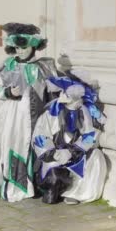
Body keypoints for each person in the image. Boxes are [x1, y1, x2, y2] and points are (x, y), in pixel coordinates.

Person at [0, 23, 58, 202]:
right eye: (16, 47)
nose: (19, 51)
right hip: (14, 119)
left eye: (23, 47)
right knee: (15, 145)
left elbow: (54, 92)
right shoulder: (8, 66)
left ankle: (41, 185)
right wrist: (9, 92)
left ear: (34, 46)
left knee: (39, 147)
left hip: (39, 118)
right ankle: (18, 186)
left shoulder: (44, 67)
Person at [32, 72, 107, 204]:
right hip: (55, 154)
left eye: (65, 93)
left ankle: (77, 193)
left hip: (76, 154)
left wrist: (72, 152)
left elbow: (89, 136)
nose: (61, 95)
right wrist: (55, 153)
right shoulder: (52, 112)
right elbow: (40, 135)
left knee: (96, 156)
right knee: (54, 177)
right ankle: (55, 189)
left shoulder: (84, 112)